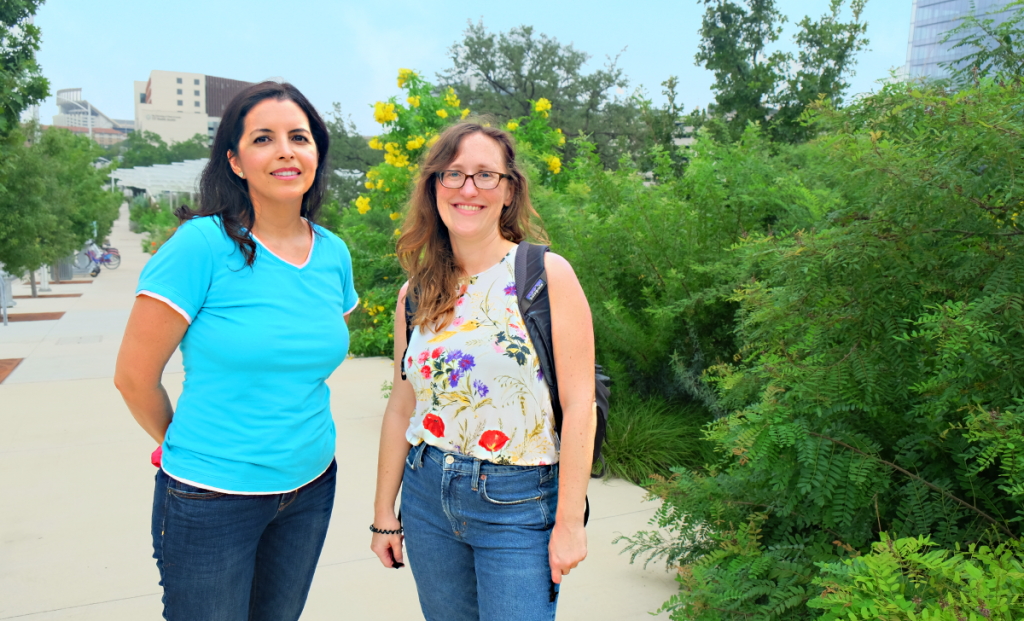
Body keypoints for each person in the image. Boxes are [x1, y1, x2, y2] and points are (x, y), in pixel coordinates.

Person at [114, 81, 358, 621]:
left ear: (317, 153)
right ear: (235, 161)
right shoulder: (201, 246)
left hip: (311, 487)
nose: (286, 151)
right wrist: (183, 445)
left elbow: (304, 358)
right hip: (212, 498)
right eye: (264, 139)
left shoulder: (333, 254)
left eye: (299, 137)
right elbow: (133, 377)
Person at [370, 121, 597, 620]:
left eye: (485, 175)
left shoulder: (543, 276)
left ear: (509, 189)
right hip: (428, 495)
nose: (468, 189)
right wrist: (384, 513)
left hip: (518, 503)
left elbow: (581, 404)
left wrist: (569, 521)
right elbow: (402, 405)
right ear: (434, 187)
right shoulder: (415, 294)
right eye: (453, 174)